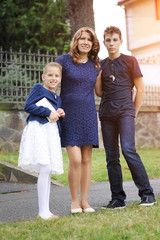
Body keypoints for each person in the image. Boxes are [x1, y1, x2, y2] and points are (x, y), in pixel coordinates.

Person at [95, 26, 156, 209]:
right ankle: (117, 199)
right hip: (106, 114)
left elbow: (141, 88)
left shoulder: (130, 61)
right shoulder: (102, 64)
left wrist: (134, 111)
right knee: (111, 156)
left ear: (121, 41)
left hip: (125, 112)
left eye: (114, 39)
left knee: (128, 149)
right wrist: (97, 71)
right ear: (104, 42)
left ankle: (147, 194)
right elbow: (99, 92)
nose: (111, 43)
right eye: (108, 40)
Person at [56, 27, 101, 214]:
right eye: (82, 38)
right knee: (75, 159)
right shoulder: (63, 61)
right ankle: (74, 202)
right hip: (69, 114)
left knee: (86, 160)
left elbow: (99, 92)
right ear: (76, 41)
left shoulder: (96, 65)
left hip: (89, 114)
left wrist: (124, 88)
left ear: (93, 44)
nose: (85, 42)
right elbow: (51, 82)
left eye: (89, 40)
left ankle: (85, 202)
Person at [18, 62, 65, 220]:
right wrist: (47, 111)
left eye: (56, 76)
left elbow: (54, 116)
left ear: (60, 78)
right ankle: (42, 211)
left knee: (48, 169)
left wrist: (59, 112)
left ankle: (46, 211)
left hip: (50, 134)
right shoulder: (38, 88)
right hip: (38, 130)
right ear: (43, 77)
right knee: (44, 167)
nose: (53, 78)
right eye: (50, 75)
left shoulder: (57, 97)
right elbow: (28, 106)